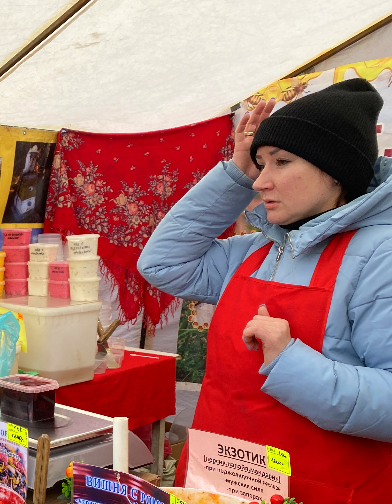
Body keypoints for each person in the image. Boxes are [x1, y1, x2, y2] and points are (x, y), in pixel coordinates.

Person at [137, 79, 392, 503]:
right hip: (221, 481)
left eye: (281, 162)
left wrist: (290, 364)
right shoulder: (262, 247)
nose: (260, 182)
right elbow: (163, 264)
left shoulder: (380, 256)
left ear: (335, 170)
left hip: (317, 487)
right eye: (259, 164)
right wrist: (235, 174)